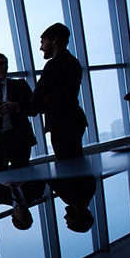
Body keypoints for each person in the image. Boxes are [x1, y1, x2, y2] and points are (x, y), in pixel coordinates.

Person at [0, 53, 38, 229]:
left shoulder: (20, 85)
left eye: (5, 63)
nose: (4, 67)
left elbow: (33, 110)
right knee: (0, 170)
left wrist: (16, 107)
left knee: (0, 172)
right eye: (0, 64)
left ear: (14, 216)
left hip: (19, 140)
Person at [29, 23, 88, 160]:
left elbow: (36, 99)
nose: (41, 47)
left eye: (43, 42)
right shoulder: (74, 62)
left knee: (67, 164)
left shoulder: (54, 64)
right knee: (76, 162)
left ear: (54, 39)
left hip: (61, 123)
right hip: (74, 119)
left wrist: (41, 103)